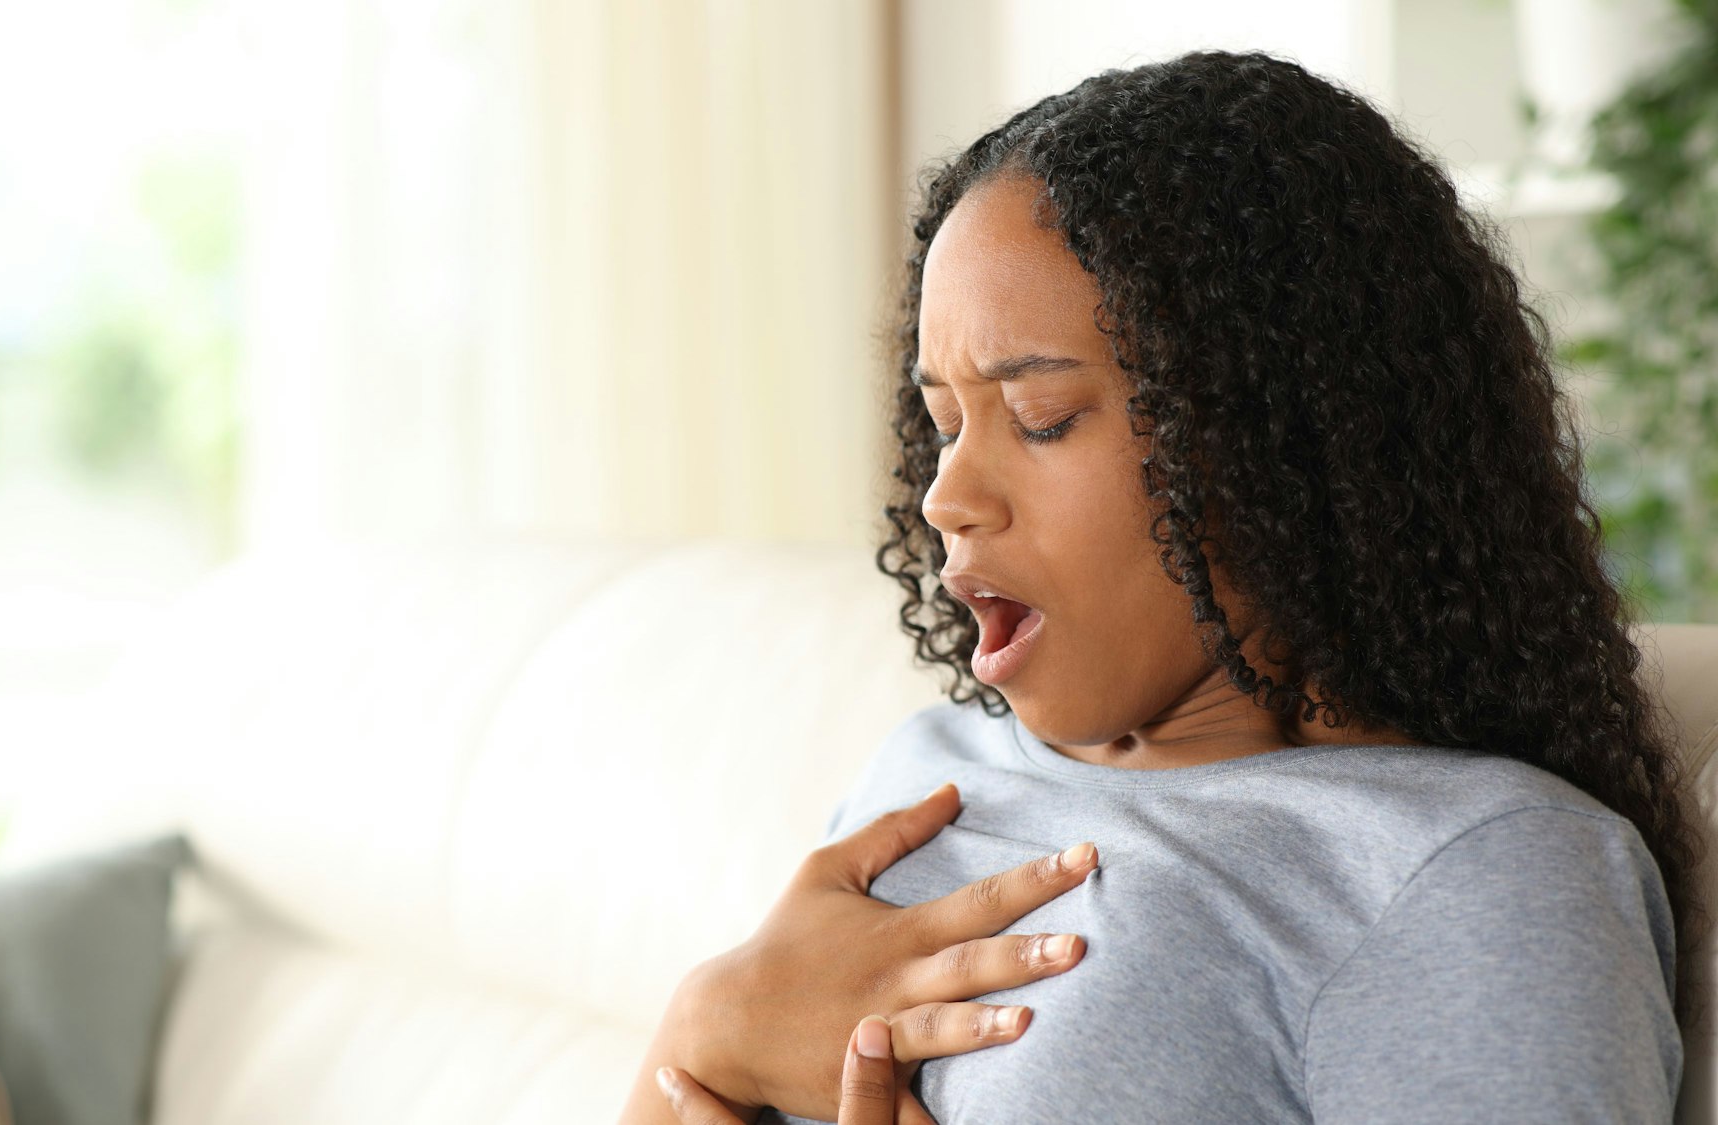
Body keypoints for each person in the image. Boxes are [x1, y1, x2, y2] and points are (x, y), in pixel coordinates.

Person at [618, 48, 1705, 1124]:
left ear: (1270, 438)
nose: (946, 495)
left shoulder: (1476, 874)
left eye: (1039, 417)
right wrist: (697, 1027)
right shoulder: (925, 773)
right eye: (940, 427)